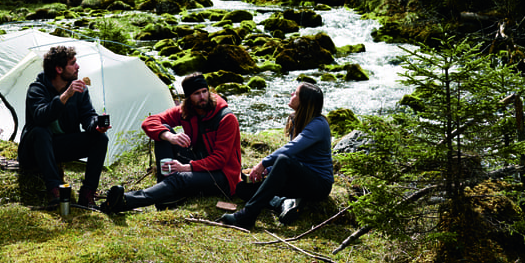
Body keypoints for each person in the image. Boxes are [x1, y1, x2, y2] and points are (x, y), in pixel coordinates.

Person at [102, 73, 241, 213]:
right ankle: (167, 197)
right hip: (198, 163)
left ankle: (126, 201)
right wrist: (168, 136)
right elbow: (148, 122)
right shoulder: (187, 111)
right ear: (188, 97)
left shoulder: (226, 118)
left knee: (179, 178)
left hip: (223, 177)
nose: (202, 97)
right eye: (196, 93)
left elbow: (220, 160)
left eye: (204, 91)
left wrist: (186, 167)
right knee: (163, 133)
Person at [221, 81, 332, 229]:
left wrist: (263, 164)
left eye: (296, 93)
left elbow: (291, 149)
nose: (292, 94)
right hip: (298, 178)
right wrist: (269, 170)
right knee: (243, 188)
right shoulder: (297, 119)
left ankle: (247, 216)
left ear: (304, 101)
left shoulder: (319, 125)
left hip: (318, 184)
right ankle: (283, 202)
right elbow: (296, 156)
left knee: (284, 160)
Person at [21, 44, 109, 208]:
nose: (78, 66)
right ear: (59, 69)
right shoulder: (37, 89)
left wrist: (96, 125)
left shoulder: (79, 90)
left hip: (59, 147)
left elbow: (88, 116)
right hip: (34, 151)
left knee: (100, 138)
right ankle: (55, 190)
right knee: (41, 131)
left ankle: (87, 193)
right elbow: (41, 117)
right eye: (72, 63)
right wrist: (65, 96)